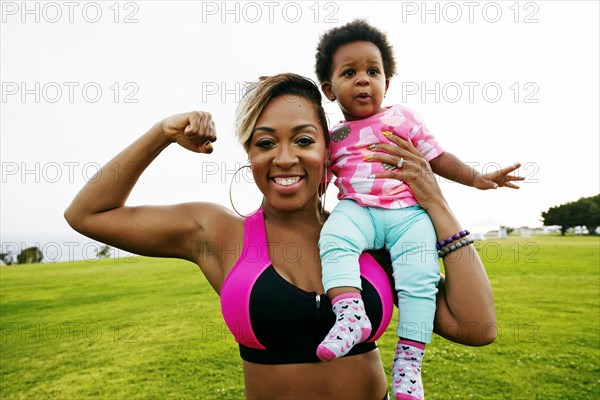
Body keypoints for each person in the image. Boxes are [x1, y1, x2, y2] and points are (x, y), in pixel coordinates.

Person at [64, 72, 496, 400]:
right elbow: (88, 214)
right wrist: (161, 133)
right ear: (249, 156)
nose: (284, 158)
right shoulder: (215, 232)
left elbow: (476, 328)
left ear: (329, 153)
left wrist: (436, 202)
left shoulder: (372, 235)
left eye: (304, 140)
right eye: (265, 143)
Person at [313, 20, 521, 400]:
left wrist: (477, 178)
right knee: (335, 237)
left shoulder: (403, 118)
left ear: (387, 83)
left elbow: (437, 158)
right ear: (329, 89)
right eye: (350, 72)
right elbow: (320, 183)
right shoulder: (333, 137)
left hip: (409, 216)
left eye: (373, 71)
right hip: (358, 209)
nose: (363, 80)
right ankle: (350, 315)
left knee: (419, 282)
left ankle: (409, 365)